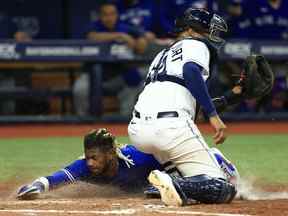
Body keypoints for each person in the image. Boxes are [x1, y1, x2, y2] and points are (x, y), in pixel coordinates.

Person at [128, 7, 239, 206]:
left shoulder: (163, 53)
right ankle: (174, 182)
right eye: (207, 30)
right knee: (222, 187)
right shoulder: (196, 45)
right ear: (190, 29)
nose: (209, 35)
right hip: (171, 128)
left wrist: (234, 95)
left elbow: (183, 94)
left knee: (193, 176)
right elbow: (190, 71)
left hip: (138, 130)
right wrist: (213, 115)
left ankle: (168, 181)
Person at [17, 128, 239, 201]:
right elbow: (58, 177)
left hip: (168, 169)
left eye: (95, 157)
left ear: (111, 154)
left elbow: (173, 159)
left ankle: (214, 158)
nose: (90, 162)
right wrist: (37, 185)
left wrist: (177, 181)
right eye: (87, 157)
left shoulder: (139, 156)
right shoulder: (84, 166)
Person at [73, 2, 148, 116]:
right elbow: (92, 37)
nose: (109, 18)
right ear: (100, 16)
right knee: (80, 90)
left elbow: (142, 41)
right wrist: (120, 36)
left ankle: (124, 119)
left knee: (137, 81)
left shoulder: (124, 26)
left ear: (117, 15)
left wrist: (138, 42)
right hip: (92, 75)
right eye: (105, 14)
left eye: (112, 14)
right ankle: (84, 121)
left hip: (118, 75)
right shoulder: (94, 26)